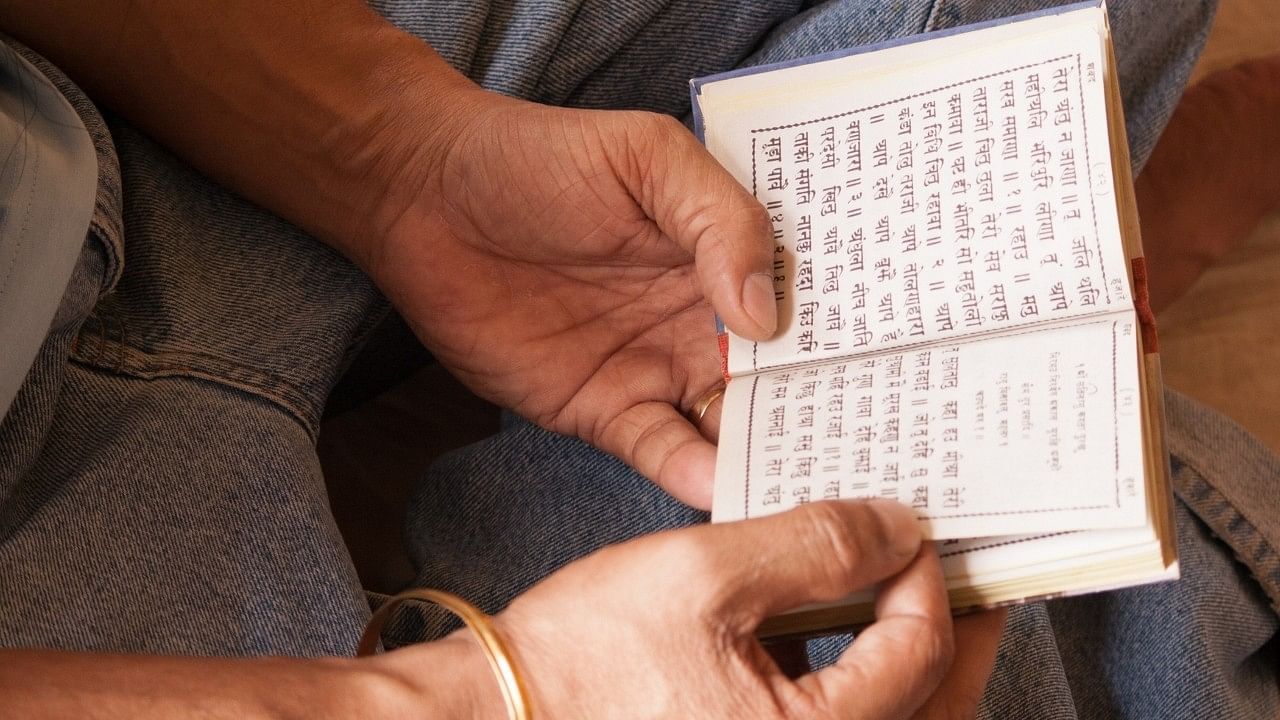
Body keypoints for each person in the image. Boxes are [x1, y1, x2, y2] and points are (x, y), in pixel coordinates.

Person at [0, 0, 1274, 718]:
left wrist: (399, 164)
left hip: (62, 127)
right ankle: (1117, 309)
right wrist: (487, 698)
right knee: (962, 622)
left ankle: (1077, 281)